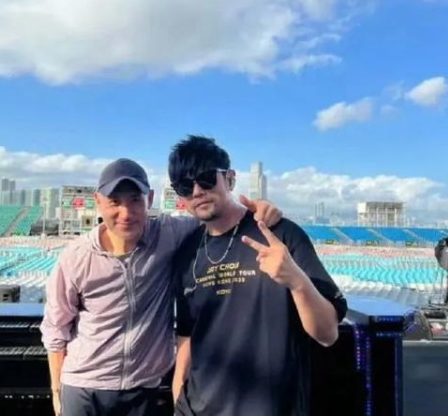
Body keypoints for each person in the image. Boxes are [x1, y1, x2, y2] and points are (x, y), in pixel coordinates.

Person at [40, 158, 282, 416]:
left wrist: (259, 210)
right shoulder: (76, 256)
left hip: (144, 388)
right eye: (114, 202)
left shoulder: (168, 234)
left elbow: (218, 216)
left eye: (135, 200)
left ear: (150, 199)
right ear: (98, 202)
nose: (126, 213)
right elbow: (56, 327)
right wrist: (57, 390)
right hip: (83, 389)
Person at [168, 135, 347, 416]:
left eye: (206, 179)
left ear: (230, 179)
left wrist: (297, 281)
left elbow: (327, 334)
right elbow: (187, 336)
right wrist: (178, 395)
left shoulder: (281, 234)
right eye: (184, 186)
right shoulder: (187, 253)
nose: (197, 191)